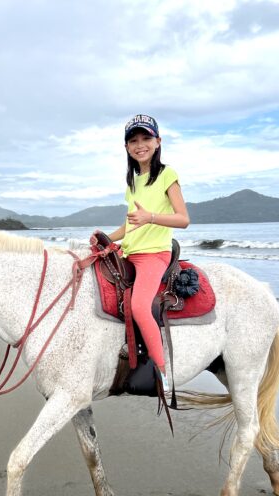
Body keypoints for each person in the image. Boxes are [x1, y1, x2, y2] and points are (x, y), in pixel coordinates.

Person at [99, 114, 190, 396]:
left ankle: (163, 373)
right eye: (134, 140)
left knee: (139, 307)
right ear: (127, 147)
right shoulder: (132, 183)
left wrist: (150, 216)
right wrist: (106, 238)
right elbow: (130, 224)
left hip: (154, 255)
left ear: (158, 142)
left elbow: (183, 219)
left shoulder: (167, 174)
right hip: (130, 252)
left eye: (146, 138)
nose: (140, 145)